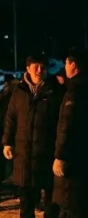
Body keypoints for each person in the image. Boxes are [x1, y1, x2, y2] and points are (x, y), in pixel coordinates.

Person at [3, 55, 64, 218]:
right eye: (35, 66)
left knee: (51, 200)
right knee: (26, 199)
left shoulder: (55, 90)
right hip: (24, 154)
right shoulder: (20, 90)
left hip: (47, 151)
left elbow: (62, 122)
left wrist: (60, 153)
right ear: (28, 69)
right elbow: (11, 117)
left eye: (42, 67)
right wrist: (7, 142)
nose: (39, 70)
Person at [53, 49, 87, 217]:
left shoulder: (75, 91)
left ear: (73, 65)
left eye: (66, 63)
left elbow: (68, 125)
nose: (65, 67)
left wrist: (61, 156)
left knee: (72, 204)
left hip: (74, 158)